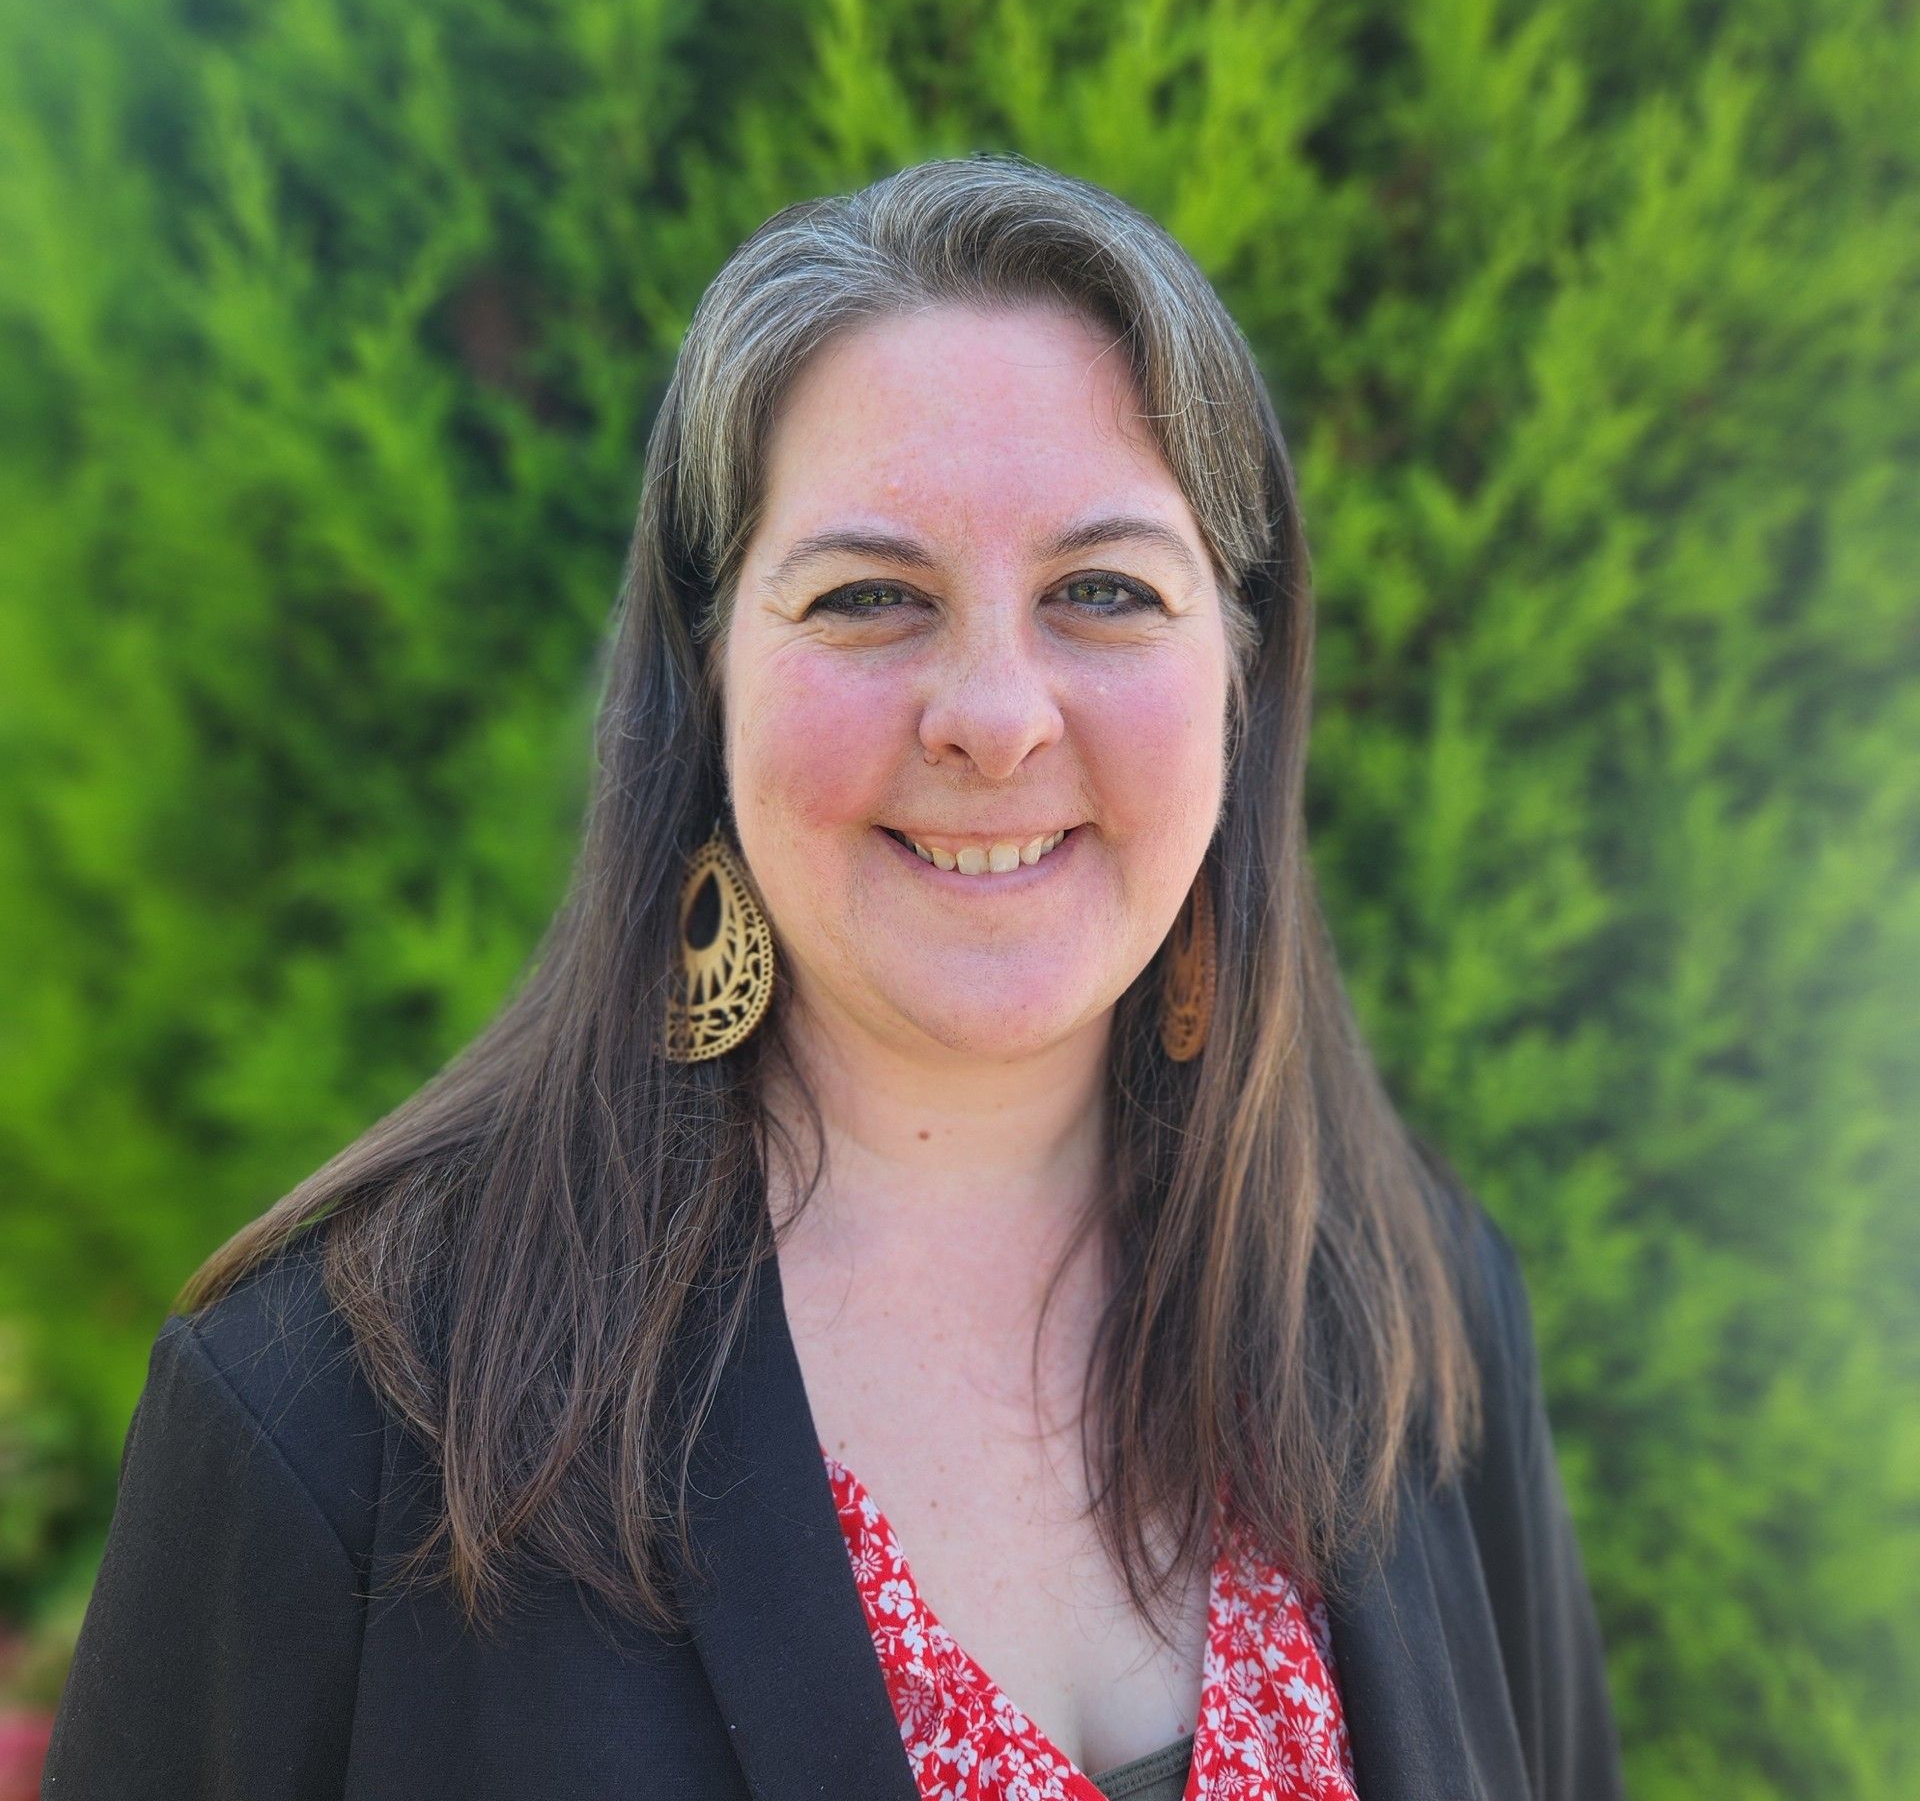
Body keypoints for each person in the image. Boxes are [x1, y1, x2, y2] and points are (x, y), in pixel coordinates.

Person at [42, 153, 1625, 1801]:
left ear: (1240, 673)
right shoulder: (339, 1424)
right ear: (703, 678)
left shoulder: (1410, 1309)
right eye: (871, 596)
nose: (995, 714)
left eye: (1105, 590)